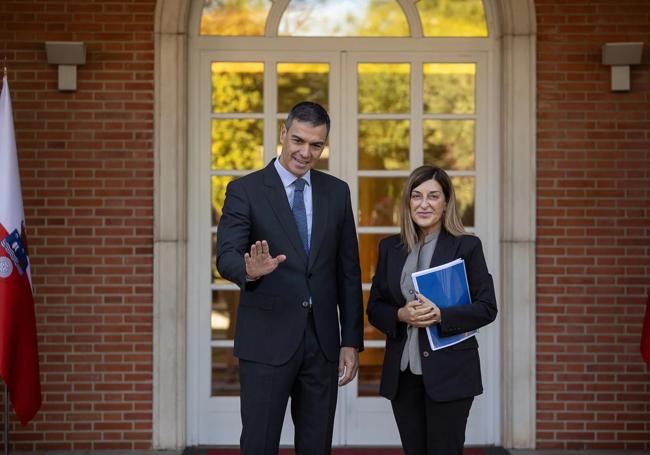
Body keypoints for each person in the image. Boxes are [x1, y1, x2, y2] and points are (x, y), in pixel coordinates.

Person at [216, 101, 364, 455]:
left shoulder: (336, 192)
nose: (305, 152)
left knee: (316, 446)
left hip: (323, 343)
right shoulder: (245, 190)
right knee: (259, 444)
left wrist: (350, 341)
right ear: (283, 134)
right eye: (298, 140)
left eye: (316, 145)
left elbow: (349, 271)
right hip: (266, 340)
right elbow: (226, 256)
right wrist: (248, 270)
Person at [366, 165, 497, 455]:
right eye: (416, 196)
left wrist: (441, 316)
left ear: (446, 202)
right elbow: (375, 307)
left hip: (450, 373)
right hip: (404, 375)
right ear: (408, 203)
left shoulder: (467, 247)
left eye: (433, 196)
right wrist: (401, 315)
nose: (424, 204)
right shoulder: (390, 248)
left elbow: (487, 308)